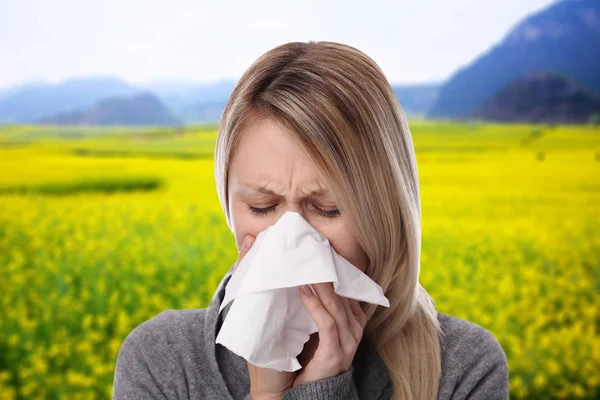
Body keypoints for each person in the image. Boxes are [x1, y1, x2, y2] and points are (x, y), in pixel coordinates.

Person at [112, 41, 509, 400]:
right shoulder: (162, 362)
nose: (291, 239)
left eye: (328, 208)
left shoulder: (463, 368)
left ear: (386, 212)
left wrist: (325, 390)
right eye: (263, 206)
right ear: (229, 207)